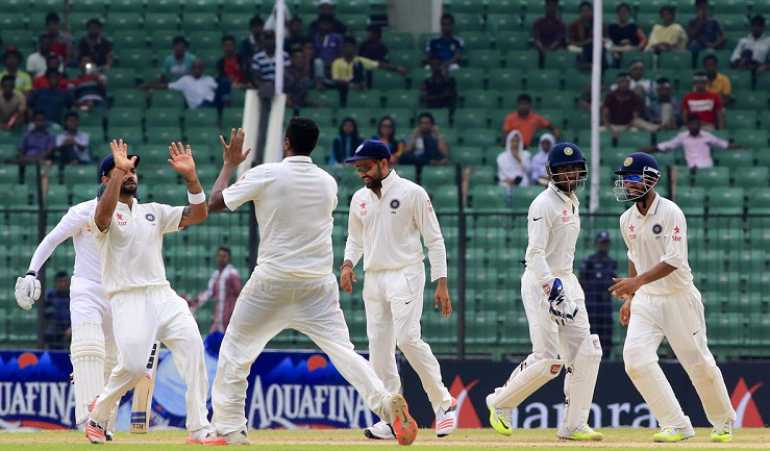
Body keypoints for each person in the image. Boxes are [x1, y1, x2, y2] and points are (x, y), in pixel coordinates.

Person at [206, 124, 418, 446]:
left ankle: (230, 429)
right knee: (344, 353)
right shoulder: (327, 183)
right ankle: (386, 403)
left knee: (235, 352)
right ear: (314, 145)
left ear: (286, 142)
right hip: (317, 284)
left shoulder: (267, 174)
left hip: (272, 281)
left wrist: (230, 165)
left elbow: (214, 203)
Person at [84, 140, 219, 445]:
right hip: (127, 297)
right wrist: (119, 170)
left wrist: (191, 178)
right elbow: (103, 216)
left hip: (163, 294)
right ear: (106, 179)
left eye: (133, 170)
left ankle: (199, 428)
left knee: (193, 349)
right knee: (133, 367)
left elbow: (198, 215)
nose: (131, 174)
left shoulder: (153, 212)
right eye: (123, 170)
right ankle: (99, 414)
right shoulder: (101, 214)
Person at [610, 152, 735, 443]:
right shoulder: (626, 219)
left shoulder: (670, 212)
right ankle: (676, 424)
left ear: (650, 179)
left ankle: (723, 423)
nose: (627, 185)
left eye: (632, 178)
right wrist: (631, 296)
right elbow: (634, 257)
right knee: (635, 360)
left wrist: (636, 282)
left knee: (698, 363)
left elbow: (674, 260)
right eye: (624, 179)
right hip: (647, 301)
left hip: (679, 297)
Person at [341, 140, 458, 440]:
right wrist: (347, 265)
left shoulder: (412, 193)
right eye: (358, 169)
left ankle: (443, 404)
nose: (362, 173)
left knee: (407, 339)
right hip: (374, 277)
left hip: (406, 272)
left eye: (366, 167)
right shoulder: (359, 199)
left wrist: (441, 282)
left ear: (384, 163)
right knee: (379, 349)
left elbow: (434, 239)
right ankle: (394, 418)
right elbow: (355, 239)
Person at [486, 142, 603, 442]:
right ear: (551, 172)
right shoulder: (542, 204)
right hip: (542, 283)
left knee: (587, 351)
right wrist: (553, 288)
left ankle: (574, 424)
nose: (568, 174)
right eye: (562, 169)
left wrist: (564, 286)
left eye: (573, 168)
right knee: (549, 361)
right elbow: (534, 254)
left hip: (567, 280)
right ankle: (500, 402)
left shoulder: (572, 200)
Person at [15, 158, 130, 436]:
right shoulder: (83, 211)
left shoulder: (132, 213)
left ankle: (104, 425)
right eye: (120, 173)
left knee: (112, 361)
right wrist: (32, 271)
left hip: (117, 293)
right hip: (86, 290)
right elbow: (52, 239)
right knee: (89, 349)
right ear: (105, 179)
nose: (126, 178)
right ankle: (88, 420)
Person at [330, 37, 406, 106]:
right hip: (344, 89)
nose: (348, 49)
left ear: (354, 48)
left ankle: (362, 86)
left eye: (350, 46)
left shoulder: (359, 60)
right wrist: (351, 85)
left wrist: (396, 68)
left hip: (358, 85)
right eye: (346, 46)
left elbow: (379, 64)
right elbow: (336, 79)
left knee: (359, 65)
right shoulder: (337, 62)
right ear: (342, 48)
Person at [579, 231, 617, 358]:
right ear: (597, 244)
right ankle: (590, 358)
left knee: (606, 333)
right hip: (592, 304)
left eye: (606, 243)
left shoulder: (611, 262)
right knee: (591, 332)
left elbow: (614, 281)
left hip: (606, 304)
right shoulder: (589, 261)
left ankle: (606, 358)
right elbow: (581, 281)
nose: (603, 246)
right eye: (601, 243)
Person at [643, 116, 733, 169]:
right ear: (688, 126)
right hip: (691, 169)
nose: (694, 126)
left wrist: (742, 147)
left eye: (696, 124)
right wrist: (651, 149)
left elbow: (723, 144)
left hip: (707, 168)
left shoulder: (707, 136)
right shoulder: (682, 136)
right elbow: (668, 145)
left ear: (700, 125)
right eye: (692, 124)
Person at [191, 246, 242, 334]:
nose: (221, 259)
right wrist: (194, 302)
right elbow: (209, 293)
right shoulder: (216, 275)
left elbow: (239, 294)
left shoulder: (232, 274)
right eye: (219, 256)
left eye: (224, 256)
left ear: (229, 258)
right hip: (218, 317)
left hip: (230, 316)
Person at [602, 72, 659, 137]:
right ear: (617, 83)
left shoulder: (634, 97)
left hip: (629, 125)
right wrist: (610, 129)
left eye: (626, 82)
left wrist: (626, 128)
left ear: (629, 83)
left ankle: (657, 129)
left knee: (639, 121)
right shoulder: (610, 96)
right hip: (612, 125)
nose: (624, 84)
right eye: (622, 81)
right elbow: (605, 115)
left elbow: (635, 116)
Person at [145, 60, 218, 109]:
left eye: (199, 68)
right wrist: (149, 86)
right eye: (194, 67)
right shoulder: (185, 80)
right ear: (191, 69)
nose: (197, 70)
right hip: (197, 108)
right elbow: (167, 86)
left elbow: (217, 90)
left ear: (203, 69)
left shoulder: (209, 79)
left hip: (210, 105)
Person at [497, 130, 532, 197]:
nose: (515, 144)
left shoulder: (525, 155)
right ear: (509, 142)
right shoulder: (501, 157)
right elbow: (500, 173)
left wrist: (519, 159)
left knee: (524, 183)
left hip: (521, 181)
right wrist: (508, 180)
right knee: (504, 186)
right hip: (507, 182)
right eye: (513, 141)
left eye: (517, 141)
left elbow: (528, 171)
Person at [43, 271, 72, 348]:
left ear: (69, 282)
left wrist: (72, 328)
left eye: (65, 281)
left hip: (72, 327)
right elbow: (46, 314)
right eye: (60, 281)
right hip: (56, 328)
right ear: (55, 283)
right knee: (50, 332)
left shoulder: (74, 295)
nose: (63, 284)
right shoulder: (50, 295)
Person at [568, 2, 598, 68]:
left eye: (587, 10)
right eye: (583, 11)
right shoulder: (574, 25)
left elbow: (603, 39)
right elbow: (570, 42)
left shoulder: (598, 24)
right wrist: (584, 43)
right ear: (580, 12)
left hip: (594, 49)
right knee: (570, 49)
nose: (585, 13)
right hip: (579, 48)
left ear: (591, 11)